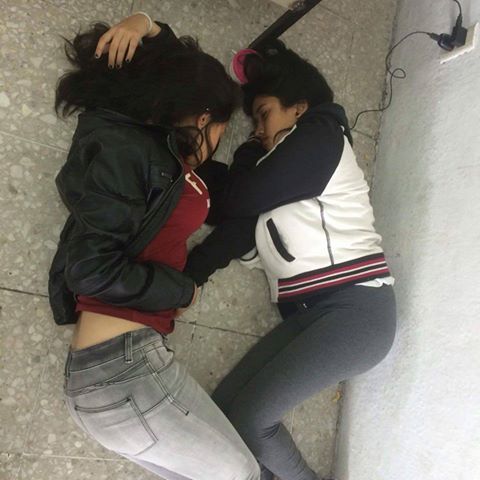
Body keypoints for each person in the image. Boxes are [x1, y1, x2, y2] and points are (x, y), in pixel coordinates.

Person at [50, 12, 261, 480]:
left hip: (123, 370)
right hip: (120, 369)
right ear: (204, 118)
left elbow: (181, 67)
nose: (216, 143)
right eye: (221, 131)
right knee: (242, 474)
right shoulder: (127, 148)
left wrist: (144, 23)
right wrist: (182, 291)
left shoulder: (155, 155)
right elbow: (90, 270)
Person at [184, 41, 398, 480]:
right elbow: (236, 218)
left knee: (252, 421)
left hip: (357, 312)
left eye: (263, 115)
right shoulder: (282, 176)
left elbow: (239, 199)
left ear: (299, 107)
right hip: (315, 314)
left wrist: (246, 151)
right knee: (228, 418)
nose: (259, 130)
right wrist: (189, 276)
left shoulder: (322, 137)